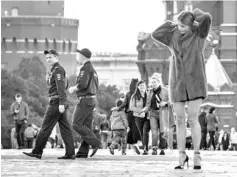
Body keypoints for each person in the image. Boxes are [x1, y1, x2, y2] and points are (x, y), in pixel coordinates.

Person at [151, 8, 212, 170]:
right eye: (179, 25)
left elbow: (206, 16)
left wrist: (193, 18)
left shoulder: (199, 35)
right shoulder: (173, 35)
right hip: (177, 82)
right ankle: (181, 155)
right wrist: (171, 24)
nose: (180, 28)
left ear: (191, 25)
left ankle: (197, 156)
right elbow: (155, 34)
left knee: (192, 119)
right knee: (179, 120)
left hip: (195, 81)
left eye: (183, 26)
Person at [23, 49, 75, 159]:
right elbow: (56, 86)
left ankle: (37, 151)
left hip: (56, 102)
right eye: (46, 58)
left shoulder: (58, 70)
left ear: (56, 57)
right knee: (65, 129)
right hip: (58, 101)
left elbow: (61, 87)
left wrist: (61, 103)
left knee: (45, 128)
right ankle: (70, 153)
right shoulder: (54, 70)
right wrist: (48, 80)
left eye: (50, 57)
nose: (48, 59)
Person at [69, 48, 101, 158]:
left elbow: (82, 84)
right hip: (92, 100)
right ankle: (83, 151)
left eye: (79, 55)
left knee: (76, 124)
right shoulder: (92, 69)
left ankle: (95, 142)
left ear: (83, 56)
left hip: (85, 100)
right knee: (86, 126)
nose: (78, 57)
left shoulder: (85, 68)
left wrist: (73, 88)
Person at [141, 73, 170, 156]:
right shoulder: (150, 92)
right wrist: (143, 111)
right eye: (152, 82)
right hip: (153, 113)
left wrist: (165, 103)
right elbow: (148, 105)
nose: (153, 84)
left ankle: (162, 149)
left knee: (162, 132)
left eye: (154, 82)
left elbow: (172, 101)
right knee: (154, 132)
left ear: (159, 82)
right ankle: (154, 148)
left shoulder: (165, 90)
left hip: (163, 113)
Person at [115, 78, 141, 155]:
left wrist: (118, 108)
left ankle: (126, 147)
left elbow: (124, 104)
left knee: (129, 130)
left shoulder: (128, 94)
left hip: (130, 114)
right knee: (137, 130)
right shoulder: (139, 93)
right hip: (138, 114)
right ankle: (136, 144)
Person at [129, 80, 150, 155]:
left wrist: (144, 112)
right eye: (140, 85)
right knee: (142, 133)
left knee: (145, 132)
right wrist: (140, 111)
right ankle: (144, 148)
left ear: (145, 86)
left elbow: (150, 105)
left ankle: (146, 149)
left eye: (143, 85)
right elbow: (131, 107)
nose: (142, 87)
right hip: (138, 117)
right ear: (138, 87)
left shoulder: (149, 94)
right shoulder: (134, 96)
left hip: (147, 116)